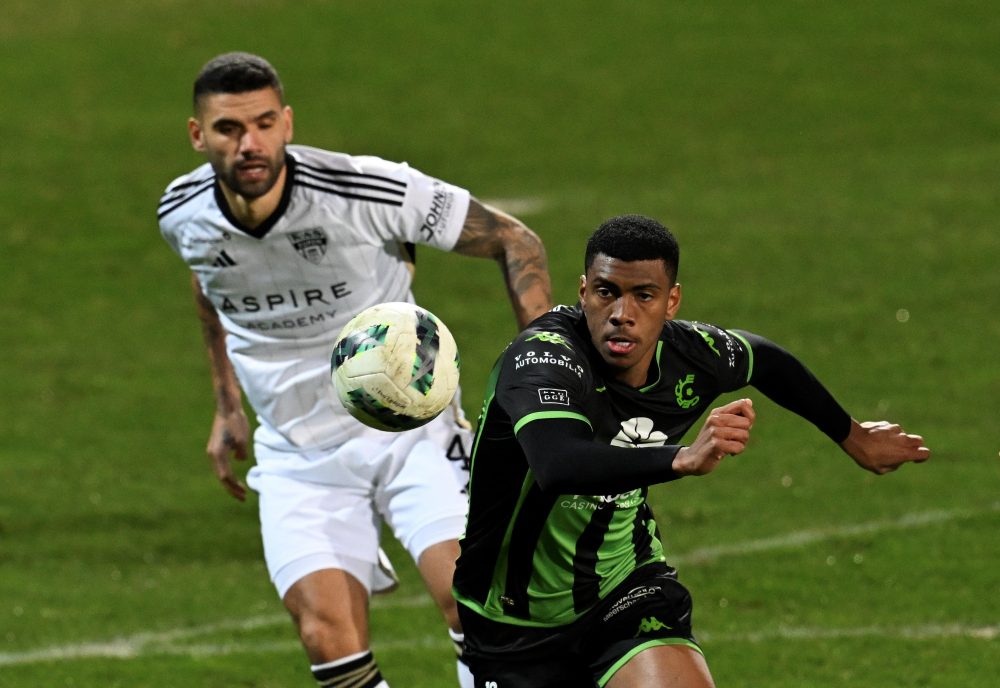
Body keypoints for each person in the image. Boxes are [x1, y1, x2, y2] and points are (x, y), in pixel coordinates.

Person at [157, 52, 551, 687]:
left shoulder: (364, 190)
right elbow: (212, 284)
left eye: (263, 123)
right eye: (229, 129)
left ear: (287, 122)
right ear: (198, 135)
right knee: (326, 639)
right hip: (294, 450)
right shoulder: (182, 214)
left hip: (409, 430)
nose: (250, 144)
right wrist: (227, 402)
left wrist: (547, 378)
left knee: (473, 599)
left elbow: (515, 240)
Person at [452, 214, 930, 687]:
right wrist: (681, 457)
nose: (622, 313)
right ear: (583, 292)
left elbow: (764, 359)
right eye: (606, 292)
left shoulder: (690, 355)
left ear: (671, 301)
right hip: (512, 623)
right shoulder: (541, 358)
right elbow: (557, 462)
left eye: (644, 295)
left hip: (625, 584)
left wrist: (853, 436)